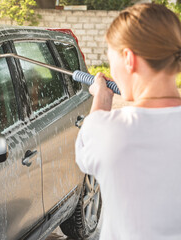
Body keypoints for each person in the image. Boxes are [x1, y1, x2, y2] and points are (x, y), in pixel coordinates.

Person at [75, 3, 181, 240]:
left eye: (111, 59)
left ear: (129, 59)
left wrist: (101, 99)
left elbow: (86, 160)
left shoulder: (105, 129)